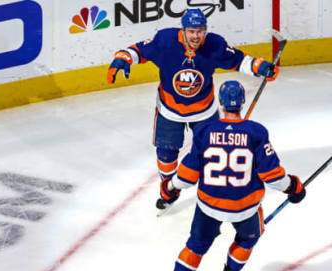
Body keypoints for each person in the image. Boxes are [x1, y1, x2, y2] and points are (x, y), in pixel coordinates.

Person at [107, 8, 279, 210]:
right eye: (191, 31)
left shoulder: (214, 45)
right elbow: (138, 50)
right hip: (169, 109)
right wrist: (122, 59)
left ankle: (214, 184)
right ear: (183, 30)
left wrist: (260, 67)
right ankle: (169, 188)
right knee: (166, 154)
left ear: (205, 31)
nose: (196, 36)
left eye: (200, 31)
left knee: (213, 151)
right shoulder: (166, 41)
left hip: (204, 110)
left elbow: (238, 60)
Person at [159, 80, 306, 271]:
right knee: (248, 238)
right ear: (242, 102)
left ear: (220, 103)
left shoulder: (205, 131)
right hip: (245, 207)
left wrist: (170, 187)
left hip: (208, 204)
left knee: (196, 244)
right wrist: (294, 187)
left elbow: (187, 176)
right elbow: (272, 176)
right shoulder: (256, 132)